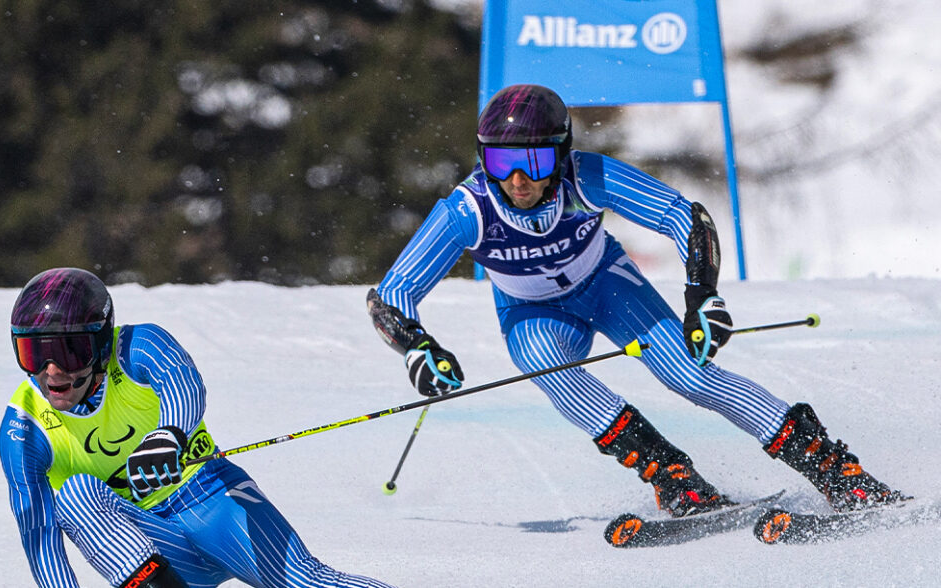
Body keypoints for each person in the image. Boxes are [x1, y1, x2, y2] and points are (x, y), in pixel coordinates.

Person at [367, 84, 903, 517]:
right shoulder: (469, 209)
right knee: (543, 362)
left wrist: (703, 296)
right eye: (501, 159)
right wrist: (417, 348)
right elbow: (391, 296)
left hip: (607, 284)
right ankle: (675, 478)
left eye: (533, 158)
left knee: (689, 375)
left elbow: (686, 218)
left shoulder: (585, 177)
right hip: (532, 311)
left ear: (560, 152)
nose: (517, 178)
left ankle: (833, 468)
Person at [0, 268, 394, 588]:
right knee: (76, 496)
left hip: (212, 500)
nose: (52, 372)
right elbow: (40, 537)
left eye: (69, 352)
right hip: (153, 547)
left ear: (101, 343)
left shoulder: (137, 347)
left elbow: (184, 384)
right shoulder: (25, 427)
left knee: (306, 582)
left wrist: (169, 433)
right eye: (35, 353)